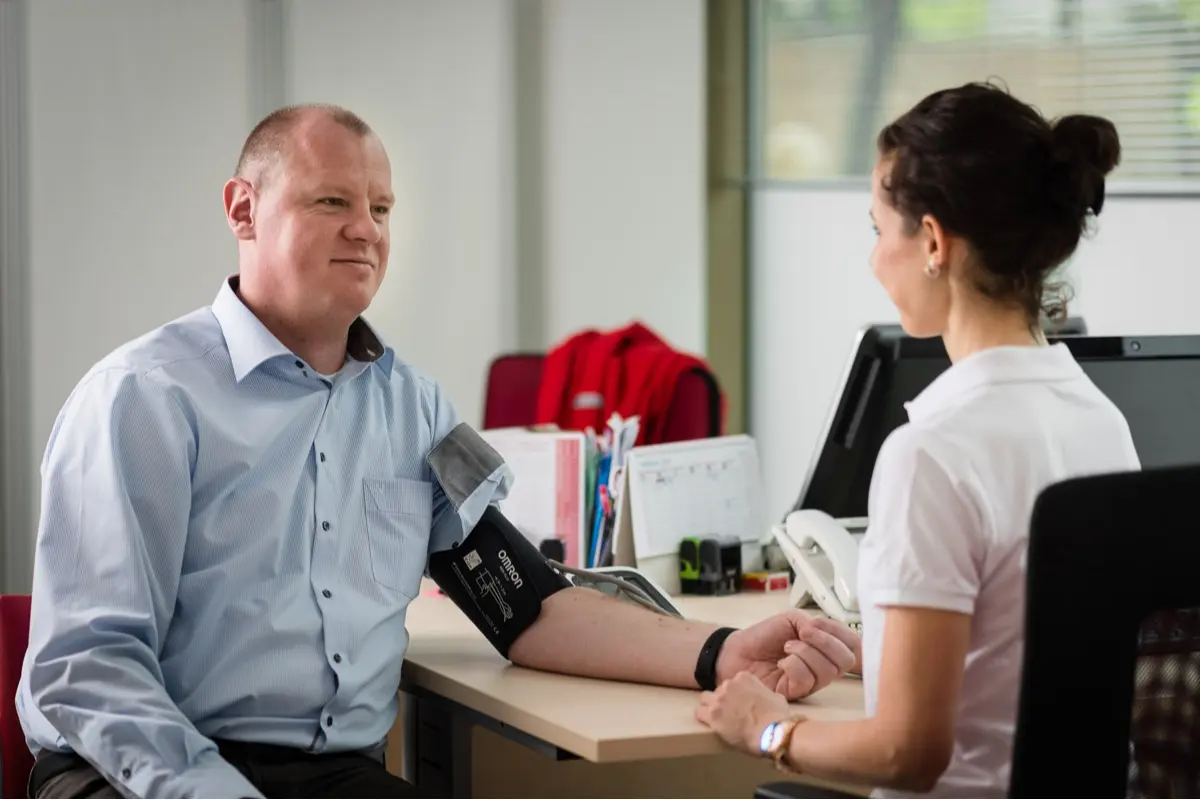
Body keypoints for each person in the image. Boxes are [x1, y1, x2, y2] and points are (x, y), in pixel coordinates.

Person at [16, 103, 859, 800]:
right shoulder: (141, 399)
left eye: (380, 210)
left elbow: (525, 605)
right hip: (133, 774)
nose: (366, 231)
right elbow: (91, 668)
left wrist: (718, 652)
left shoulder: (412, 408)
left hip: (329, 777)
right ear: (243, 209)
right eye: (330, 203)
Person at [695, 82, 1142, 797]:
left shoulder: (931, 452)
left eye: (879, 230)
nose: (874, 259)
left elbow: (908, 753)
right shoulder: (1102, 423)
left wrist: (766, 729)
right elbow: (1023, 663)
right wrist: (875, 654)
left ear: (932, 241)